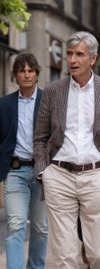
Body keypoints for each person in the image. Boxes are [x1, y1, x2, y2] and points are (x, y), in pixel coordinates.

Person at [33, 31, 100, 268]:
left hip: (98, 176)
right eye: (69, 54)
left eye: (79, 54)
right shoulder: (53, 91)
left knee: (99, 256)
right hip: (59, 176)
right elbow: (40, 139)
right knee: (64, 259)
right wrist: (44, 172)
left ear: (93, 59)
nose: (72, 60)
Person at [0, 53, 48, 269]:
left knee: (40, 228)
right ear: (16, 76)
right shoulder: (4, 104)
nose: (27, 74)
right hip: (15, 172)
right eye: (22, 70)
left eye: (30, 70)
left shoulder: (48, 102)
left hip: (41, 174)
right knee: (15, 224)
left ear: (37, 74)